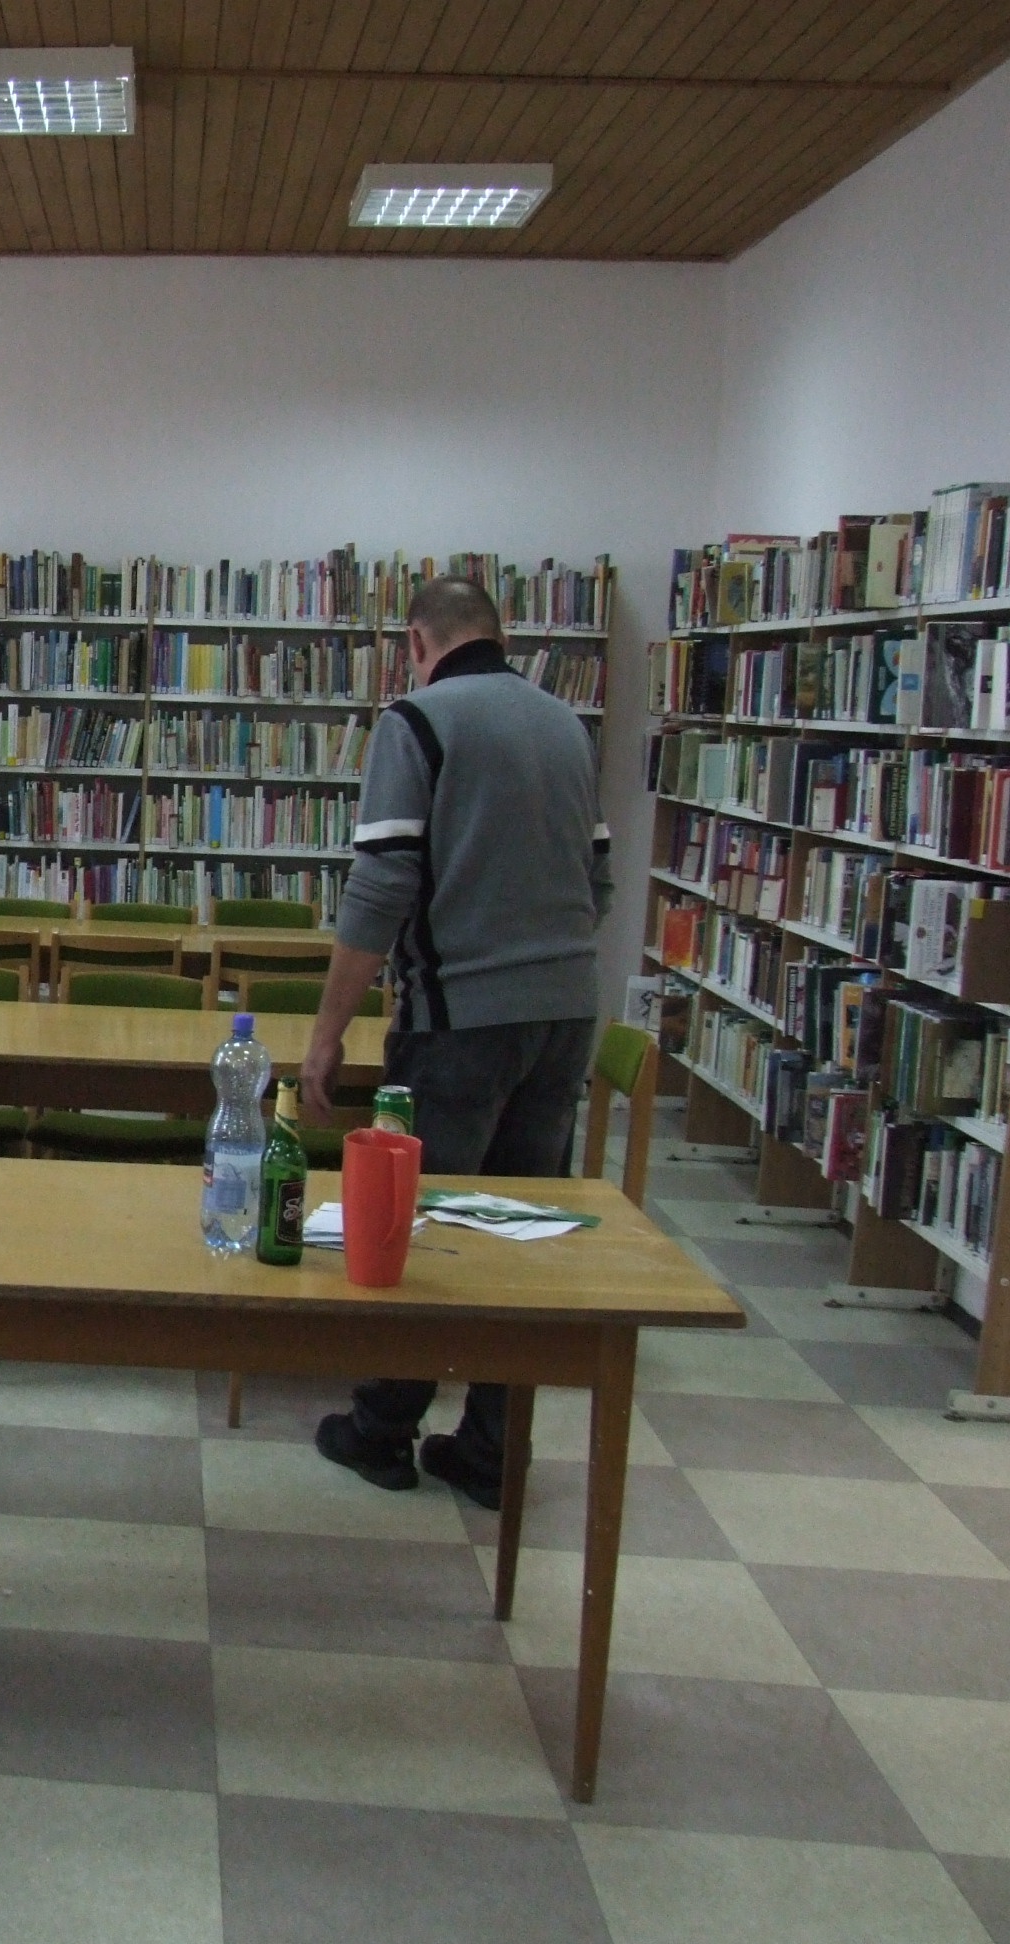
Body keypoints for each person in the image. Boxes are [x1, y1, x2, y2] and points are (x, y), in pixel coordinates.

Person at [299, 575, 614, 1510]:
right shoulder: (566, 726)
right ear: (499, 635)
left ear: (416, 642)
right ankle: (491, 1448)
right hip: (566, 1013)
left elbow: (382, 886)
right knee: (518, 1229)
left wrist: (327, 1033)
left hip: (460, 1019)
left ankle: (383, 1429)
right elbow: (597, 883)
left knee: (421, 1223)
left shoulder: (418, 721)